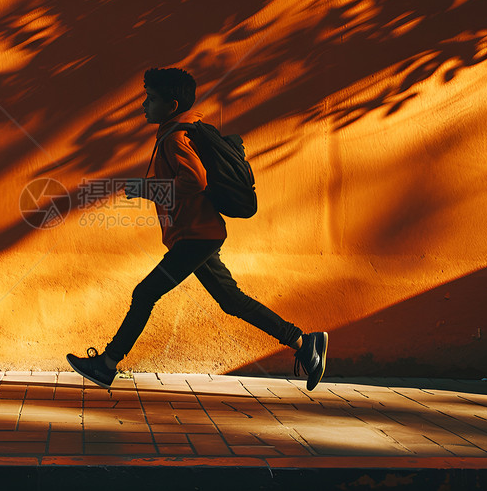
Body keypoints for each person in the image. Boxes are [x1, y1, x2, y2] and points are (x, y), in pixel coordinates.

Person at [67, 67, 328, 390]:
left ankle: (107, 363)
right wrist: (148, 186)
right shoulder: (176, 132)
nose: (144, 106)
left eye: (150, 99)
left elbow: (195, 181)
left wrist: (149, 189)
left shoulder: (177, 137)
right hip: (197, 234)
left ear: (172, 105)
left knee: (144, 293)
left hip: (196, 236)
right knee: (232, 301)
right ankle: (304, 343)